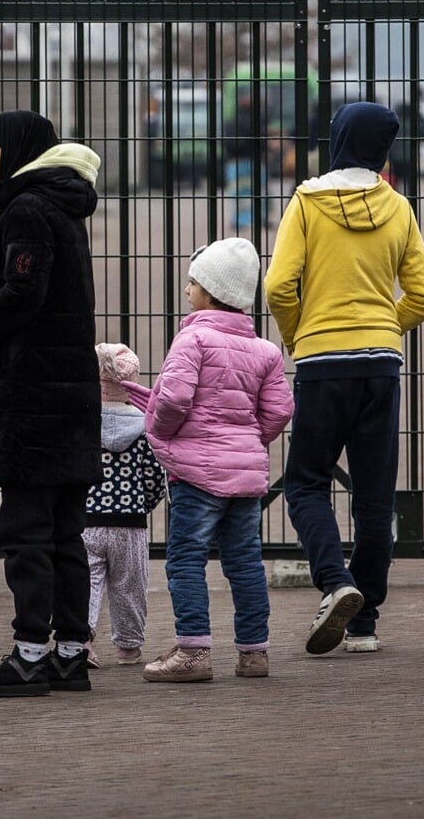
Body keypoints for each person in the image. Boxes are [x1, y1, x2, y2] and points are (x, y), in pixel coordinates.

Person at [264, 102, 424, 655]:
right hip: (380, 365)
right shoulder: (399, 207)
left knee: (306, 480)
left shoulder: (306, 203)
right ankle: (365, 623)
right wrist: (387, 326)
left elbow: (277, 287)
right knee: (374, 493)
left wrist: (300, 337)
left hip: (321, 363)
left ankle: (336, 582)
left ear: (338, 139)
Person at [0, 111, 104, 697]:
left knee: (26, 531)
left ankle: (30, 653)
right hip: (69, 395)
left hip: (34, 399)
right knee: (65, 532)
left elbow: (21, 291)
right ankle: (68, 653)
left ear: (14, 153)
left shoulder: (27, 210)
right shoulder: (60, 207)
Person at [125, 238, 293, 683]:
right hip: (244, 476)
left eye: (193, 282)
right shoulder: (265, 351)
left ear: (211, 292)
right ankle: (254, 652)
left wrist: (159, 431)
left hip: (196, 475)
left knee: (185, 559)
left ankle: (194, 651)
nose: (186, 290)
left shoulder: (193, 338)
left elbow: (175, 397)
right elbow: (279, 410)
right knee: (244, 562)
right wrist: (249, 442)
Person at [84, 342, 164, 667]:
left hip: (86, 518)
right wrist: (144, 502)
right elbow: (155, 477)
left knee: (86, 581)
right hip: (129, 522)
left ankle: (81, 639)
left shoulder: (83, 423)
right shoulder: (144, 428)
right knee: (130, 585)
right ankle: (129, 646)